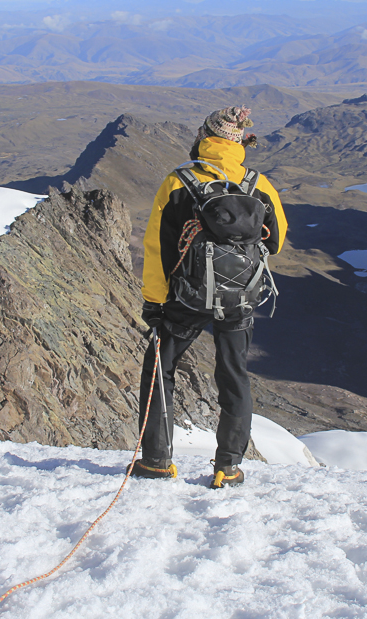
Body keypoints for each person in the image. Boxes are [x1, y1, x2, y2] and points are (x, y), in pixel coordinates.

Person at [130, 106, 287, 488]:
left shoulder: (177, 182)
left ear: (204, 136)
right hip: (240, 299)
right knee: (234, 376)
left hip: (186, 298)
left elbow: (157, 248)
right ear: (239, 143)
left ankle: (156, 462)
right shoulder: (258, 184)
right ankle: (228, 468)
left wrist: (155, 301)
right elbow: (277, 241)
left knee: (160, 368)